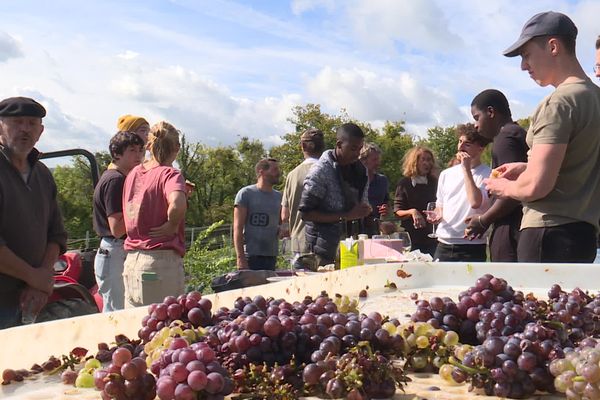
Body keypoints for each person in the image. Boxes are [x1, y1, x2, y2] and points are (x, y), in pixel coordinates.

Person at [486, 11, 600, 263]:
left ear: (553, 46)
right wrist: (529, 166)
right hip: (584, 236)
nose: (523, 65)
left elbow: (537, 186)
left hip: (547, 234)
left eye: (526, 55)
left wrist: (502, 187)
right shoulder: (594, 97)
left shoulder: (559, 103)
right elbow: (582, 163)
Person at [0, 97, 67, 328]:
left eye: (31, 123)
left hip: (31, 301)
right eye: (17, 122)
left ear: (40, 131)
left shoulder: (42, 174)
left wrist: (42, 277)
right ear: (0, 126)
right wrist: (34, 277)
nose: (24, 129)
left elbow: (56, 234)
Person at [122, 121, 187, 307]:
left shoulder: (134, 173)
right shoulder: (170, 174)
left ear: (148, 145)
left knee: (135, 329)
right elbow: (177, 204)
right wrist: (172, 225)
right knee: (164, 328)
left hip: (132, 261)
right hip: (160, 262)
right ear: (177, 148)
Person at [464, 89, 528, 262]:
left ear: (491, 112)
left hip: (511, 227)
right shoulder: (517, 133)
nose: (476, 125)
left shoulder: (505, 138)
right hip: (518, 225)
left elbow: (512, 192)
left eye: (477, 117)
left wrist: (484, 220)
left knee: (507, 283)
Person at [299, 123, 372, 267]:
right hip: (322, 253)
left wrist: (365, 210)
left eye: (359, 149)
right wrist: (346, 215)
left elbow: (360, 207)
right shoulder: (320, 172)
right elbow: (306, 214)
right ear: (339, 144)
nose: (357, 154)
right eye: (352, 149)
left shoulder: (360, 170)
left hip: (352, 247)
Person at [92, 131, 145, 312]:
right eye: (132, 150)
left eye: (140, 150)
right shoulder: (116, 180)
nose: (138, 155)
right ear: (117, 154)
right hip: (114, 251)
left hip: (115, 251)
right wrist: (144, 203)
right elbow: (116, 228)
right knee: (117, 313)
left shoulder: (119, 178)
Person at [433, 123, 492, 262]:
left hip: (472, 244)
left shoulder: (488, 174)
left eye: (467, 144)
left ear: (480, 148)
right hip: (444, 242)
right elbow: (439, 205)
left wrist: (466, 169)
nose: (460, 147)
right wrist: (436, 214)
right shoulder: (446, 174)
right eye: (460, 142)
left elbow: (475, 202)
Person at [281, 128, 325, 256]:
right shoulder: (331, 171)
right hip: (326, 243)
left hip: (299, 244)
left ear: (303, 146)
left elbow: (284, 215)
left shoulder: (292, 175)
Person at [234, 158, 282, 271]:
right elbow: (237, 228)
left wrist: (283, 229)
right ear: (262, 172)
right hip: (250, 256)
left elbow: (281, 223)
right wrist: (240, 257)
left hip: (271, 257)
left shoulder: (279, 197)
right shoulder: (246, 194)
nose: (278, 173)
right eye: (274, 169)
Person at [393, 146, 438, 256]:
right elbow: (398, 211)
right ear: (414, 162)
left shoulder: (434, 182)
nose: (427, 163)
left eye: (429, 160)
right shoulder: (405, 183)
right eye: (423, 160)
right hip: (411, 237)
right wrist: (412, 212)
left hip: (431, 237)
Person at [359, 143, 389, 237]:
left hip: (375, 231)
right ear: (363, 160)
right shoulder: (353, 181)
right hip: (356, 230)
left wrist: (386, 209)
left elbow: (386, 202)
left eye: (378, 159)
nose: (378, 163)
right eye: (374, 160)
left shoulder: (382, 181)